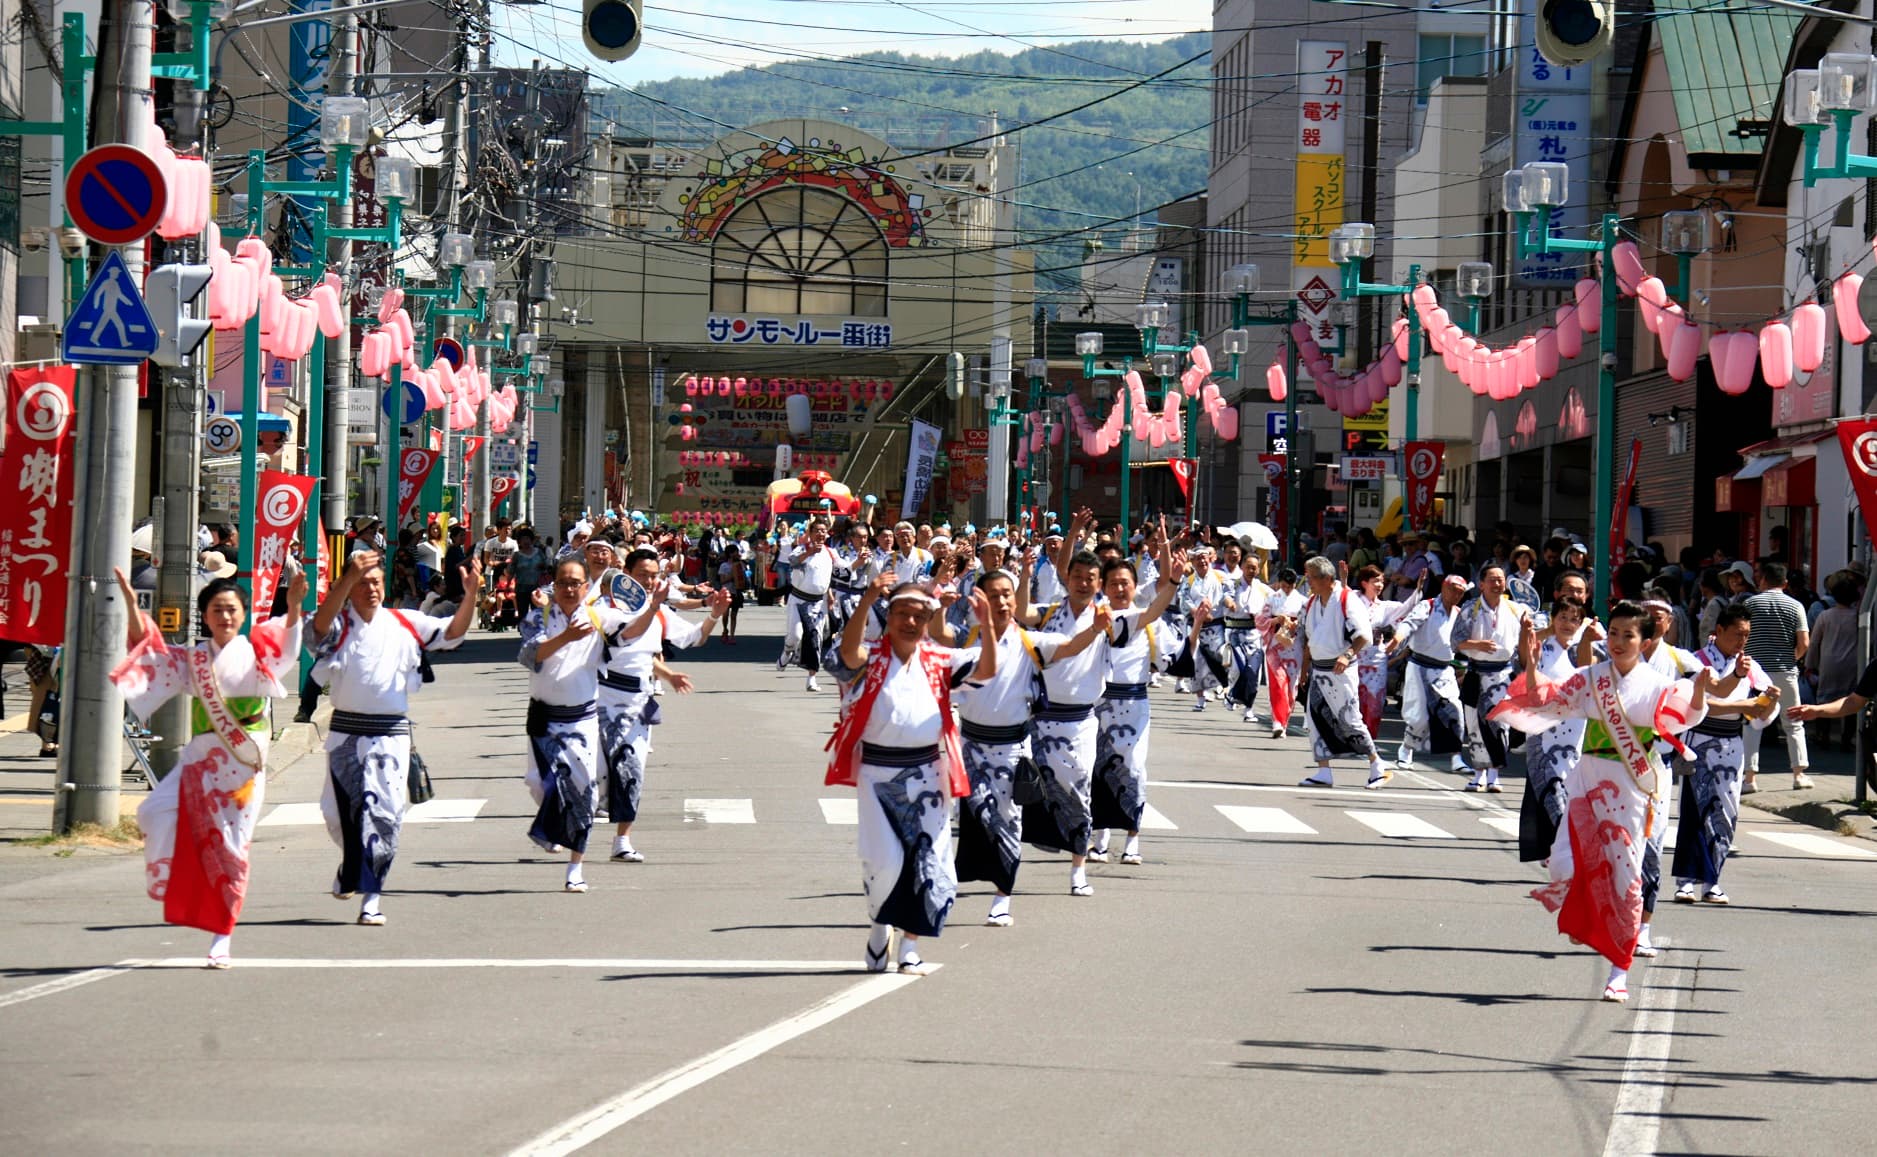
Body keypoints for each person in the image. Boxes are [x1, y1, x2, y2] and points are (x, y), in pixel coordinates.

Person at [1493, 603, 1711, 1003]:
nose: (1618, 642)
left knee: (1626, 879)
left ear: (1644, 642)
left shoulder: (1658, 685)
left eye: (1628, 635)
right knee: (1568, 860)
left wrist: (1697, 693)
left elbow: (1686, 716)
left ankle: (1619, 971)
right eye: (1613, 633)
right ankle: (1585, 916)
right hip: (1588, 781)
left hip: (1632, 787)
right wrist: (1531, 663)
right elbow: (1548, 702)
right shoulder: (1590, 678)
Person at [109, 564, 306, 968]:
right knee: (152, 810)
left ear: (243, 613)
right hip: (198, 760)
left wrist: (294, 605)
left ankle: (222, 936)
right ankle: (172, 876)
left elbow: (288, 647)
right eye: (217, 609)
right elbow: (151, 653)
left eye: (232, 609)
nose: (226, 617)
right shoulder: (194, 658)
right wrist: (131, 606)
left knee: (231, 851)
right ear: (205, 615)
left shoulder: (258, 654)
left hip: (242, 766)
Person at [825, 575, 996, 974]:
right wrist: (868, 597)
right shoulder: (871, 656)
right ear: (890, 616)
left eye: (920, 615)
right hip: (877, 774)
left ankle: (910, 947)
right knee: (883, 860)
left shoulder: (939, 659)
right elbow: (847, 654)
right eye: (903, 612)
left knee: (927, 859)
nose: (910, 621)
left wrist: (985, 626)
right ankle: (879, 927)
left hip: (927, 774)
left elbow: (986, 671)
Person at [307, 549, 479, 925]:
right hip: (345, 734)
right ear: (349, 588)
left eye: (376, 582)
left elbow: (452, 632)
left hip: (390, 733)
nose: (371, 589)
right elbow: (316, 630)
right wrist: (346, 577)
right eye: (362, 583)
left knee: (384, 815)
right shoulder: (338, 625)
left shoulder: (405, 621)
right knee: (338, 816)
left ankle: (372, 897)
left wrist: (471, 595)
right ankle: (352, 863)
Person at [931, 568, 1108, 926]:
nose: (1002, 601)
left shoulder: (1031, 642)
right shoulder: (970, 638)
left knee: (1008, 822)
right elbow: (939, 633)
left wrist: (1095, 628)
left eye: (1007, 594)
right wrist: (938, 606)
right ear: (979, 601)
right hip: (971, 745)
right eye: (993, 595)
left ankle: (1002, 896)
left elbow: (1070, 646)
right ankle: (952, 881)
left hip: (1012, 748)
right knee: (976, 817)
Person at [591, 549, 725, 863]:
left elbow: (692, 639)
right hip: (601, 698)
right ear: (625, 573)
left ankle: (621, 840)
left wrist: (714, 615)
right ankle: (566, 827)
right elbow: (625, 638)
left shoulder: (659, 612)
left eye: (654, 575)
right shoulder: (605, 608)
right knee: (593, 774)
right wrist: (652, 608)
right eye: (642, 575)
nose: (650, 581)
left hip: (638, 700)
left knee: (632, 769)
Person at [517, 557, 636, 893]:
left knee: (583, 792)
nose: (569, 589)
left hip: (581, 719)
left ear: (585, 587)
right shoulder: (539, 614)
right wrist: (567, 636)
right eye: (563, 582)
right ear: (554, 585)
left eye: (575, 583)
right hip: (543, 717)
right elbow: (530, 654)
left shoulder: (599, 616)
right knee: (538, 784)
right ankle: (552, 824)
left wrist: (653, 605)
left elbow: (632, 630)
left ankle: (575, 868)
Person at [1014, 544, 1109, 895]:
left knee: (1079, 790)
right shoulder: (1051, 610)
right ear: (1067, 578)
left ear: (1100, 582)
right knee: (1027, 790)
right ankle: (1009, 863)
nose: (1083, 583)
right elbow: (1022, 612)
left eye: (1091, 578)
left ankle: (1078, 869)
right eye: (1077, 577)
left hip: (1081, 720)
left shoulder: (1106, 616)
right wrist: (1025, 573)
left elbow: (1142, 619)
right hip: (1041, 716)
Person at [1673, 604, 1780, 905]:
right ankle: (1685, 882)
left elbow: (1760, 711)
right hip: (1700, 740)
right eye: (1737, 634)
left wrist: (1769, 701)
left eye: (1746, 635)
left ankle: (1712, 881)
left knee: (1725, 813)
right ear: (1719, 631)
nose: (1742, 641)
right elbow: (1703, 703)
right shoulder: (1698, 661)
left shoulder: (1750, 665)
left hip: (1731, 743)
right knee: (1694, 811)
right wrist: (1744, 705)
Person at [1090, 548, 1184, 865]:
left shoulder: (1148, 621)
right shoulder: (1095, 619)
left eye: (1125, 583)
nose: (1119, 589)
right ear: (1103, 585)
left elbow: (1171, 656)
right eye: (1113, 583)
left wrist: (1194, 624)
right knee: (1098, 768)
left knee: (1132, 770)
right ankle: (1100, 837)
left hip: (1134, 703)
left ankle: (1132, 838)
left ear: (1135, 586)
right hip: (1098, 704)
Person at [1295, 557, 1391, 789]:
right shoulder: (1311, 603)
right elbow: (1306, 639)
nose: (1308, 582)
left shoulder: (1347, 599)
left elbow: (1363, 635)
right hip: (1319, 668)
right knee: (1317, 718)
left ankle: (1377, 764)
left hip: (1341, 669)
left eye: (1311, 577)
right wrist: (1304, 670)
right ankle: (1323, 770)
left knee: (1349, 718)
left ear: (1327, 579)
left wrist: (1347, 655)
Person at [1516, 597, 1588, 864]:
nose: (1568, 624)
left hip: (1574, 733)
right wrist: (1529, 631)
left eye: (1574, 619)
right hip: (1543, 731)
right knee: (1551, 789)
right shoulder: (1542, 647)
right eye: (1563, 617)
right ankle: (1566, 850)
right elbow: (1524, 658)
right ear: (1553, 618)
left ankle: (1558, 849)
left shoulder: (1586, 648)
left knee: (1570, 790)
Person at [1453, 562, 1530, 792]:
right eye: (1493, 580)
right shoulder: (1470, 609)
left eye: (1501, 579)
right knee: (1474, 724)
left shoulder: (1517, 609)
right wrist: (1477, 644)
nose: (1498, 584)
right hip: (1476, 671)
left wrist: (1528, 631)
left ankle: (1495, 774)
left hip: (1503, 674)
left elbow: (1527, 642)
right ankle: (1478, 774)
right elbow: (1456, 641)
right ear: (1482, 583)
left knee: (1498, 724)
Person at [1740, 561, 1811, 793]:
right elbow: (1804, 642)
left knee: (1753, 723)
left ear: (1762, 580)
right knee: (1793, 722)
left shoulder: (1749, 603)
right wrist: (1793, 659)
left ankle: (1749, 778)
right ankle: (1799, 774)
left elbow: (1742, 636)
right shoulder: (1795, 606)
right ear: (1785, 583)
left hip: (1756, 673)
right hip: (1785, 671)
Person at [1394, 574, 1471, 770]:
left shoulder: (1459, 614)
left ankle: (1456, 758)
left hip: (1445, 669)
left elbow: (1465, 640)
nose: (1456, 595)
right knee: (1419, 717)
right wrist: (1397, 638)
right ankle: (1406, 749)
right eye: (1453, 590)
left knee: (1454, 711)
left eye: (1461, 593)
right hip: (1419, 666)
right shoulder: (1426, 606)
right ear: (1444, 588)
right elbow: (1409, 623)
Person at [778, 519, 836, 691]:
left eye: (823, 531)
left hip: (819, 602)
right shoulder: (802, 549)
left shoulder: (830, 553)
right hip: (798, 600)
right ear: (810, 533)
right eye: (817, 530)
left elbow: (836, 573)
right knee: (795, 636)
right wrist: (810, 552)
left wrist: (830, 595)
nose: (820, 534)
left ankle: (812, 678)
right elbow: (792, 561)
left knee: (814, 639)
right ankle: (787, 651)